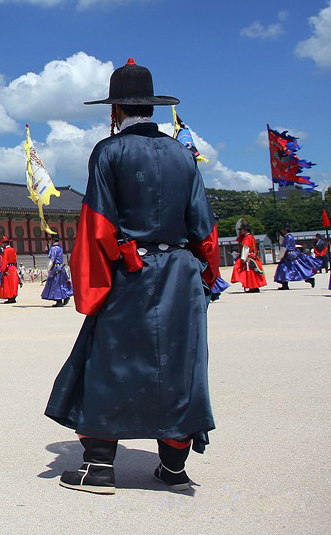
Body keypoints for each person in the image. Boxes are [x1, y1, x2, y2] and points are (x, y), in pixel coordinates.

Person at [45, 58, 219, 495]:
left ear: (115, 109)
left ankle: (99, 468)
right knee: (179, 363)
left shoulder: (109, 151)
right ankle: (174, 469)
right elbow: (204, 226)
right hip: (181, 273)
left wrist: (96, 283)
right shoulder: (184, 154)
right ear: (152, 107)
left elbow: (98, 225)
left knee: (108, 361)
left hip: (131, 271)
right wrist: (206, 277)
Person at [273, 223, 319, 290]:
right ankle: (308, 279)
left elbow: (284, 247)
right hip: (292, 254)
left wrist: (280, 256)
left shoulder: (287, 238)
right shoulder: (290, 237)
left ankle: (284, 283)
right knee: (298, 269)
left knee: (282, 268)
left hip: (288, 255)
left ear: (285, 230)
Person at [232, 219, 266, 293]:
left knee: (248, 272)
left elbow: (246, 248)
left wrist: (243, 258)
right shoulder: (252, 237)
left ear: (244, 230)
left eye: (241, 230)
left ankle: (252, 287)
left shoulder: (247, 238)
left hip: (249, 256)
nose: (241, 231)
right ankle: (254, 286)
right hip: (254, 256)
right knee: (254, 273)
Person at [40, 238, 73, 307]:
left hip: (56, 268)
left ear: (53, 240)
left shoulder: (54, 248)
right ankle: (66, 295)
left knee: (56, 284)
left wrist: (49, 268)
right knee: (63, 283)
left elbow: (52, 259)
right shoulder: (60, 248)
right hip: (61, 268)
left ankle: (59, 301)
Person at [0, 237, 19, 304]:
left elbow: (4, 261)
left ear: (4, 243)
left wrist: (3, 270)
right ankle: (13, 297)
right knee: (14, 283)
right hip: (13, 268)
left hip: (8, 269)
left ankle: (10, 297)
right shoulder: (13, 250)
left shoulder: (5, 251)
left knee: (8, 283)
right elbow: (15, 259)